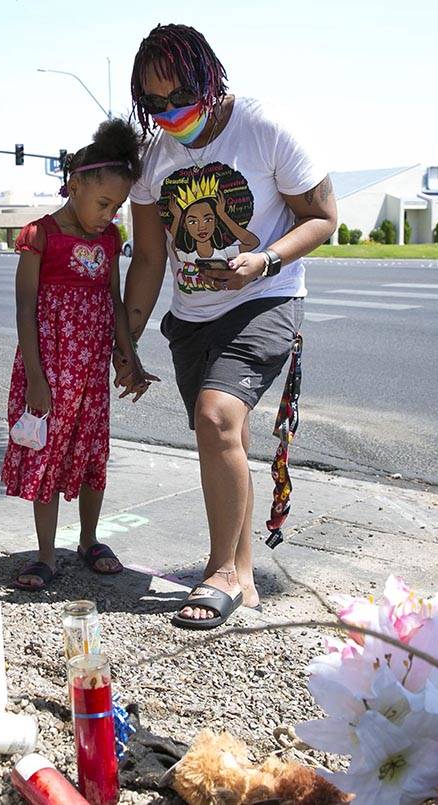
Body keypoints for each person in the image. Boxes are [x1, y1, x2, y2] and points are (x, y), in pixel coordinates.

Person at [121, 24, 337, 629]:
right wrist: (127, 342)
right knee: (225, 441)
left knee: (218, 419)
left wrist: (263, 260)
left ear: (209, 80)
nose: (169, 115)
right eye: (154, 104)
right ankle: (242, 579)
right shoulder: (155, 160)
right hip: (191, 318)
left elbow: (323, 217)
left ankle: (216, 573)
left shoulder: (265, 129)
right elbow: (149, 258)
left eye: (179, 97)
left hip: (265, 299)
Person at [2, 118, 155, 591]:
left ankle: (89, 539)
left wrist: (129, 356)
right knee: (45, 454)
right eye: (104, 203)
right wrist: (36, 378)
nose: (110, 214)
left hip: (89, 371)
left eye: (118, 207)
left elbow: (112, 300)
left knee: (92, 453)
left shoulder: (107, 240)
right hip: (48, 366)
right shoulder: (40, 235)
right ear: (75, 185)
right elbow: (25, 309)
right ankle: (45, 554)